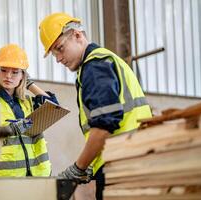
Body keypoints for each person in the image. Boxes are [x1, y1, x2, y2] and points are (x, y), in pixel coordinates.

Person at [39, 13, 152, 199]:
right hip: (133, 160)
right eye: (54, 54)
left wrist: (78, 168)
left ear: (77, 35)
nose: (58, 59)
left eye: (60, 48)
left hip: (120, 166)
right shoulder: (105, 60)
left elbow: (103, 127)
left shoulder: (94, 65)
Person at [0, 44, 58, 177]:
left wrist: (29, 84)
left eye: (15, 72)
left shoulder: (27, 102)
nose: (8, 76)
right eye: (3, 70)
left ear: (23, 75)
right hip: (2, 178)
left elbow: (54, 107)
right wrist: (11, 130)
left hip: (36, 175)